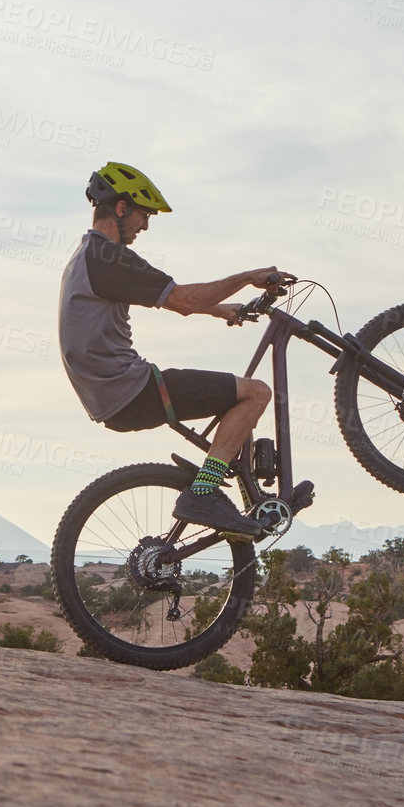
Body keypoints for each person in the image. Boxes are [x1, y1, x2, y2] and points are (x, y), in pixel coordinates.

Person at [58, 161, 313, 537]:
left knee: (237, 396)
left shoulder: (89, 257)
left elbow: (173, 299)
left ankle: (244, 494)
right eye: (144, 215)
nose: (145, 226)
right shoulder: (108, 258)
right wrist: (247, 278)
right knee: (255, 393)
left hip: (110, 393)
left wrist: (221, 310)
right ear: (122, 207)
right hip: (129, 389)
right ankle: (204, 490)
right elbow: (183, 299)